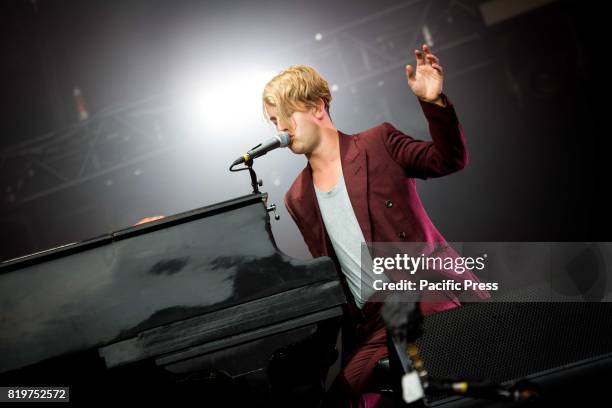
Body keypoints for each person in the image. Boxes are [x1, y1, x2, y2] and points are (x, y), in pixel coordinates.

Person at [262, 44, 491, 406]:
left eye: (285, 115)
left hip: (423, 296)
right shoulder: (297, 197)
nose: (281, 128)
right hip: (371, 324)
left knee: (431, 384)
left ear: (317, 106)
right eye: (273, 122)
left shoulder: (377, 142)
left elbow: (450, 159)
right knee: (343, 399)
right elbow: (330, 277)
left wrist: (434, 104)